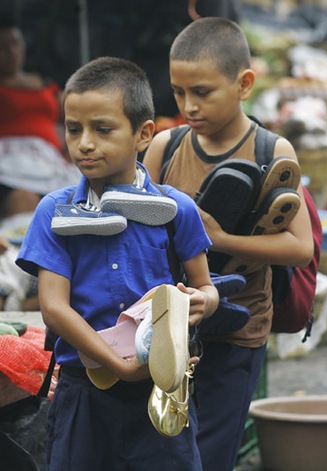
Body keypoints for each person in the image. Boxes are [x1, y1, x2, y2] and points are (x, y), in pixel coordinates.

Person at [15, 56, 219, 471]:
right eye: (74, 129)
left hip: (163, 390)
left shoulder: (175, 209)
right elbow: (54, 308)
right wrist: (117, 366)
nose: (85, 143)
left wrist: (203, 303)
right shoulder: (55, 211)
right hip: (82, 393)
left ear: (143, 134)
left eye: (103, 129)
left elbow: (207, 288)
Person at [143, 17, 314, 471]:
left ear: (244, 84)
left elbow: (299, 248)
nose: (188, 106)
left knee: (212, 452)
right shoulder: (166, 145)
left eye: (202, 92)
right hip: (169, 329)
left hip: (241, 326)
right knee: (166, 448)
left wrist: (220, 239)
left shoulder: (272, 152)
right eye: (179, 93)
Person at [0, 18, 79, 222]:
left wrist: (71, 152)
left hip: (51, 161)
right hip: (9, 164)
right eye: (2, 47)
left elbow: (79, 118)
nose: (11, 52)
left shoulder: (44, 84)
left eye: (15, 44)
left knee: (80, 195)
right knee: (22, 200)